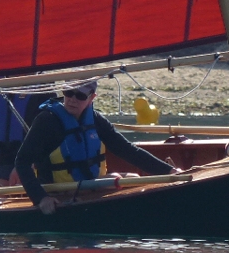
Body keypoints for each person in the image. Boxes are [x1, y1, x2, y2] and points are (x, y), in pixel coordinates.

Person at [14, 80, 175, 214]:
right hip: (60, 190)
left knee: (133, 178)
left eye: (80, 95)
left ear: (92, 98)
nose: (72, 99)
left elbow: (128, 150)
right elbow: (22, 161)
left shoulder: (96, 120)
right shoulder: (46, 121)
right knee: (126, 180)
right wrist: (41, 198)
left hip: (90, 185)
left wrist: (169, 171)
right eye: (68, 92)